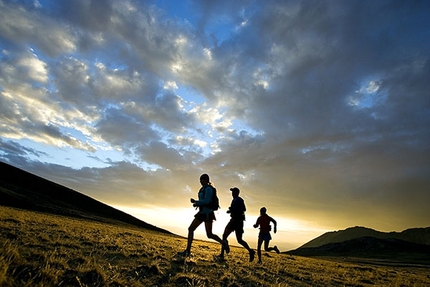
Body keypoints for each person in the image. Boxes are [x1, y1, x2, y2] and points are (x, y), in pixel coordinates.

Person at [177, 173, 227, 257]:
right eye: (200, 180)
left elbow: (207, 201)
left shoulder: (208, 189)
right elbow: (204, 201)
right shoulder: (203, 189)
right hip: (202, 213)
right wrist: (197, 203)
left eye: (203, 179)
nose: (201, 181)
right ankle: (187, 251)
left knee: (209, 234)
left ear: (207, 180)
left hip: (207, 213)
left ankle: (223, 243)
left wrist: (196, 202)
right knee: (191, 229)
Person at [218, 187, 255, 262]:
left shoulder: (239, 199)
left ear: (237, 193)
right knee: (231, 238)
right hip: (236, 220)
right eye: (232, 192)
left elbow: (243, 209)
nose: (232, 193)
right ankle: (222, 254)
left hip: (236, 221)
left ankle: (222, 254)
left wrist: (233, 210)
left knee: (235, 239)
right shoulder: (235, 200)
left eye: (233, 192)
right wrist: (230, 211)